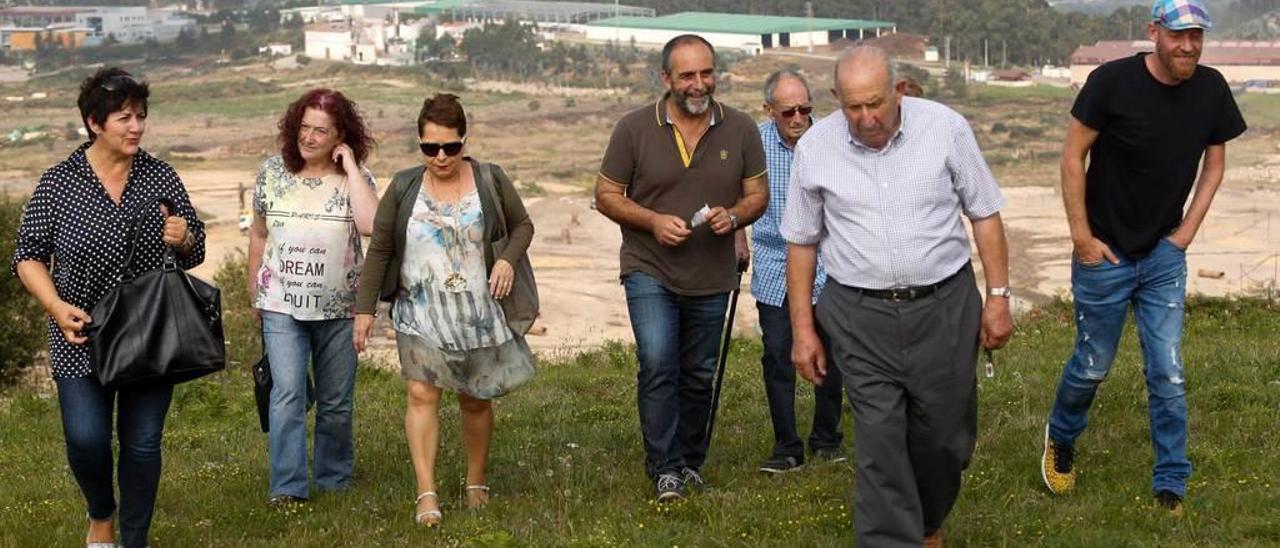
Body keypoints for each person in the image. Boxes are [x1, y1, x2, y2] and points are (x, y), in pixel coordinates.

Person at [783, 46, 1013, 548]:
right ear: (835, 100)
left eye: (876, 103)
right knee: (880, 442)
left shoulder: (946, 128)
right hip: (858, 316)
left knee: (944, 439)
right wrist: (803, 330)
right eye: (853, 107)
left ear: (899, 90)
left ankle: (927, 524)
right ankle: (893, 538)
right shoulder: (815, 148)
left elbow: (985, 213)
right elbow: (801, 242)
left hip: (944, 309)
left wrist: (998, 296)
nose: (866, 119)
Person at [1041, 0, 1246, 516]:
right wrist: (1082, 239)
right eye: (1178, 36)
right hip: (1104, 252)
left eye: (1196, 36)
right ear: (1154, 32)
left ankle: (1171, 479)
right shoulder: (1111, 82)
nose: (1188, 46)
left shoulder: (1212, 88)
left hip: (1162, 257)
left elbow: (1214, 164)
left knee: (1168, 372)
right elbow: (1072, 156)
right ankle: (1061, 439)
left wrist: (1184, 235)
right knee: (1091, 367)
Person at [11, 67, 206, 548]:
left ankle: (134, 540)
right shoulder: (58, 184)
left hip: (151, 335)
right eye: (123, 118)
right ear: (94, 123)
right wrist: (55, 305)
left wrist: (183, 238)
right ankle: (101, 512)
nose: (136, 126)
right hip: (82, 334)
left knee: (141, 444)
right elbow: (27, 256)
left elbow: (195, 245)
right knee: (87, 440)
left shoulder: (160, 175)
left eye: (140, 116)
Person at [594, 34, 768, 502]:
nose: (699, 83)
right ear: (666, 78)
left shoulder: (742, 128)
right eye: (688, 75)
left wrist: (733, 217)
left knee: (698, 372)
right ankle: (664, 468)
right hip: (647, 265)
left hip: (712, 274)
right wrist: (652, 221)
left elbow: (757, 197)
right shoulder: (633, 128)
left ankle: (690, 460)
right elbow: (605, 195)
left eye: (706, 72)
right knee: (657, 362)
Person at [354, 93, 537, 526]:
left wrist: (508, 258)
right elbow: (380, 249)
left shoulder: (491, 180)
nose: (440, 156)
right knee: (421, 394)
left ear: (464, 141)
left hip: (478, 309)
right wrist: (364, 312)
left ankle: (476, 482)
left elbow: (523, 226)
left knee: (474, 399)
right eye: (430, 147)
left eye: (451, 147)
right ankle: (426, 492)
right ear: (419, 142)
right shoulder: (403, 188)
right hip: (420, 310)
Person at [247, 88, 378, 505]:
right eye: (304, 127)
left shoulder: (358, 179)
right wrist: (255, 292)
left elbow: (371, 223)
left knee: (336, 401)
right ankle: (287, 488)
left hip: (340, 307)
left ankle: (333, 480)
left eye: (321, 130)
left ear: (341, 134)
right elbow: (258, 234)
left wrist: (352, 167)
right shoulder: (271, 173)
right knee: (287, 394)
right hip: (280, 304)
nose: (310, 137)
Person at [750, 70, 846, 475]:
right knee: (778, 354)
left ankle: (826, 438)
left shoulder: (833, 138)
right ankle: (786, 446)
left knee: (833, 352)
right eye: (787, 110)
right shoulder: (753, 143)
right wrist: (737, 236)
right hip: (774, 260)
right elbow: (736, 192)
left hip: (829, 260)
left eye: (805, 108)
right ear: (769, 109)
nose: (798, 117)